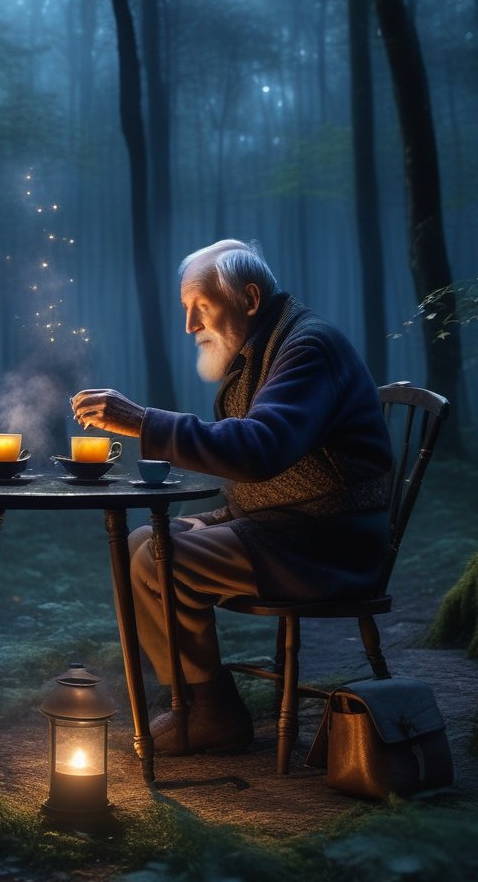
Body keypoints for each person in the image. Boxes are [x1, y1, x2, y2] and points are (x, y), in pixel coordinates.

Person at [69, 239, 393, 755]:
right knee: (140, 541)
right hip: (285, 525)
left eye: (201, 305)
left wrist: (144, 422)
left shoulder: (307, 347)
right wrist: (217, 514)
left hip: (327, 543)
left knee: (158, 558)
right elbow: (262, 465)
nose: (190, 325)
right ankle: (191, 698)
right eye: (186, 308)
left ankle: (214, 711)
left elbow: (260, 450)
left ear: (249, 298)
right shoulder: (265, 346)